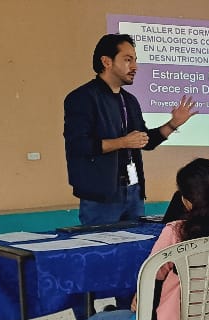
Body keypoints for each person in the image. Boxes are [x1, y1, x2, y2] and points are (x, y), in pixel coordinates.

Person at [28, 159, 209, 320]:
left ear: (186, 201)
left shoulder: (176, 232)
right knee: (117, 317)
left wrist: (139, 299)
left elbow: (151, 277)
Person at [64, 33, 198, 226]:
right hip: (101, 197)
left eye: (135, 60)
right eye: (128, 60)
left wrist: (173, 124)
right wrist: (123, 142)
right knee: (102, 244)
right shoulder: (82, 98)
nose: (135, 67)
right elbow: (79, 145)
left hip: (134, 191)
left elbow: (145, 141)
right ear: (106, 61)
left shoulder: (130, 100)